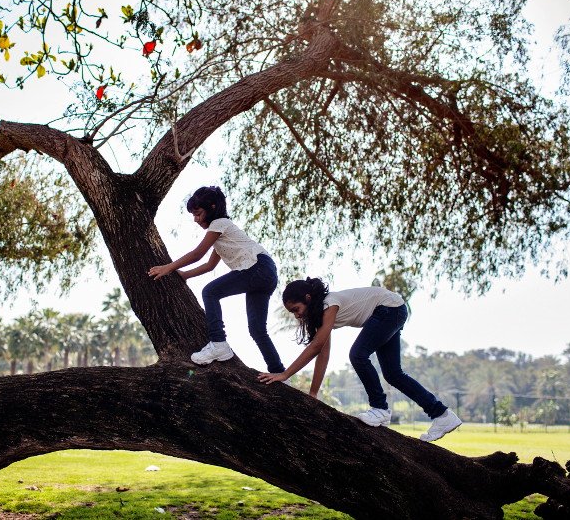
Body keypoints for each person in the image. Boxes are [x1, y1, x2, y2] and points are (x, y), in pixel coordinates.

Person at [258, 277, 461, 442]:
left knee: (357, 355)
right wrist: (313, 393)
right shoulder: (323, 315)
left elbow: (316, 346)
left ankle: (380, 408)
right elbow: (323, 353)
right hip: (394, 309)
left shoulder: (330, 303)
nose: (296, 316)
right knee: (393, 374)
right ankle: (442, 415)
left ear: (308, 298)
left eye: (296, 309)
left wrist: (284, 374)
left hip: (388, 308)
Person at [148, 186, 285, 373]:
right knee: (257, 330)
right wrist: (186, 275)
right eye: (193, 215)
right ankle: (279, 372)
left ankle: (218, 342)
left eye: (198, 214)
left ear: (212, 208)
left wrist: (168, 267)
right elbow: (209, 266)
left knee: (210, 292)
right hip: (266, 273)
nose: (196, 219)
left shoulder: (220, 224)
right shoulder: (222, 234)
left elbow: (198, 254)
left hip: (257, 267)